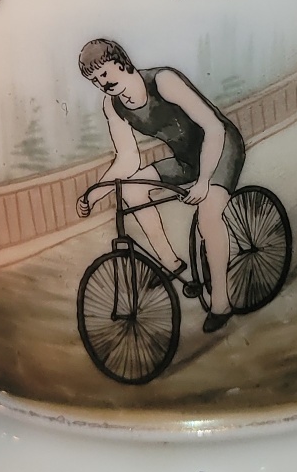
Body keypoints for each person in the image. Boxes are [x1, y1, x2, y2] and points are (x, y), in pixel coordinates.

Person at [76, 38, 245, 332]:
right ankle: (171, 264)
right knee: (132, 189)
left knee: (208, 217)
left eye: (103, 73)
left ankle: (221, 303)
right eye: (95, 80)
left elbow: (213, 127)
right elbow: (127, 159)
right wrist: (94, 194)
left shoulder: (163, 81)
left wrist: (204, 182)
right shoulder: (113, 105)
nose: (102, 83)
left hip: (220, 149)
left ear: (120, 61)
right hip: (186, 160)